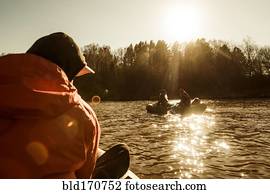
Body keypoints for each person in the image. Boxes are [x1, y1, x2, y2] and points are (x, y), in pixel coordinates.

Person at [0, 32, 129, 178]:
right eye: (73, 78)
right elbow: (84, 177)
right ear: (67, 75)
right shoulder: (84, 116)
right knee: (120, 153)